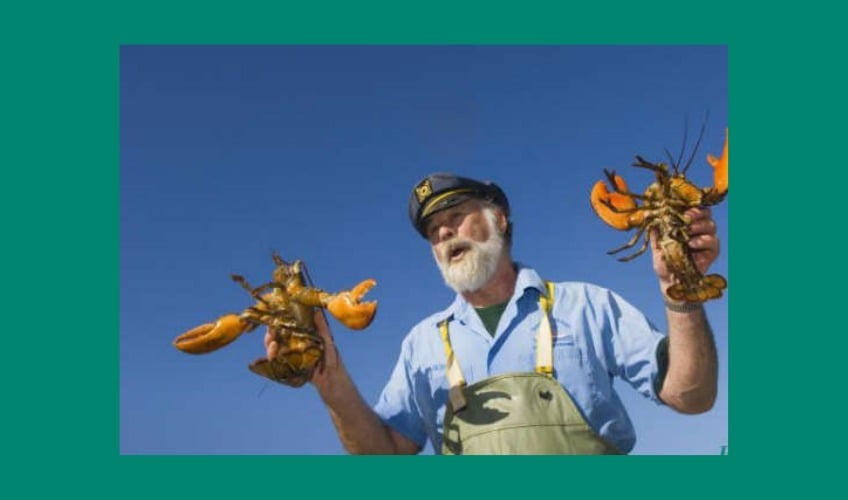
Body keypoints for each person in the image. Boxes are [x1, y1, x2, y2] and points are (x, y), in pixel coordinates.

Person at [264, 173, 721, 454]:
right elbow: (384, 453)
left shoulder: (586, 306)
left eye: (456, 215)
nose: (442, 232)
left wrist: (678, 287)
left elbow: (691, 396)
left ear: (500, 219)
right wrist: (331, 383)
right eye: (432, 231)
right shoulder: (423, 343)